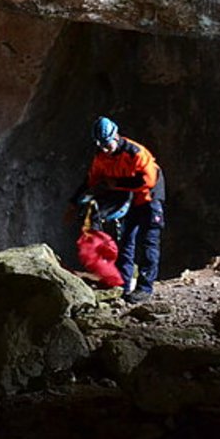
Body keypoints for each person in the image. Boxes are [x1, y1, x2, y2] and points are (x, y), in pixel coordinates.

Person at [76, 116, 165, 303]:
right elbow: (91, 180)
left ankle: (144, 289)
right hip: (130, 200)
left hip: (150, 198)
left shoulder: (136, 153)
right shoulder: (101, 157)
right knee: (126, 242)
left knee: (149, 242)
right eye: (101, 146)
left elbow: (146, 181)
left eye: (107, 145)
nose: (105, 150)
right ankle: (123, 285)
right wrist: (75, 202)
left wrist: (115, 183)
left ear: (116, 137)